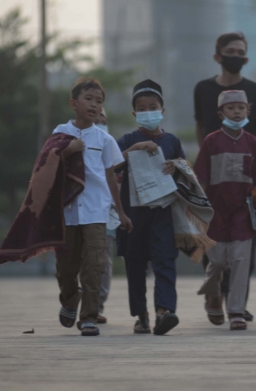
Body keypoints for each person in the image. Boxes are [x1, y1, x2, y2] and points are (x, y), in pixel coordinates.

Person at [194, 32, 256, 320]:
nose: (236, 56)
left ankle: (237, 307)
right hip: (215, 190)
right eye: (231, 50)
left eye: (241, 51)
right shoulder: (202, 89)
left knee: (244, 253)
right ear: (218, 55)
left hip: (245, 188)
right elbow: (200, 129)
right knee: (215, 254)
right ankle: (215, 295)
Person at [55, 77, 132, 336]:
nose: (94, 105)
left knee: (95, 264)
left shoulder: (104, 139)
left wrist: (120, 212)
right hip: (67, 211)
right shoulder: (60, 133)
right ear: (73, 103)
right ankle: (69, 298)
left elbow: (111, 177)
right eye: (89, 99)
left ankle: (88, 317)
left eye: (99, 101)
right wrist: (68, 150)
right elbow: (47, 163)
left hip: (96, 210)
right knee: (66, 267)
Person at [116, 79, 185, 335]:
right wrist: (133, 149)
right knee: (135, 264)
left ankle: (164, 311)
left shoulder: (173, 142)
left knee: (165, 261)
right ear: (135, 114)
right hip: (133, 215)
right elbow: (112, 166)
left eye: (152, 106)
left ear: (162, 109)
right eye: (142, 108)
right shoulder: (126, 140)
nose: (148, 112)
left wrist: (175, 168)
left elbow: (186, 174)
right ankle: (141, 315)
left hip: (163, 214)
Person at [94, 109, 116, 324]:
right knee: (81, 261)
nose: (101, 124)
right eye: (96, 120)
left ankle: (96, 306)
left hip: (107, 217)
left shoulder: (111, 146)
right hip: (81, 216)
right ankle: (75, 301)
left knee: (103, 263)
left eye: (104, 121)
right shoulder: (74, 146)